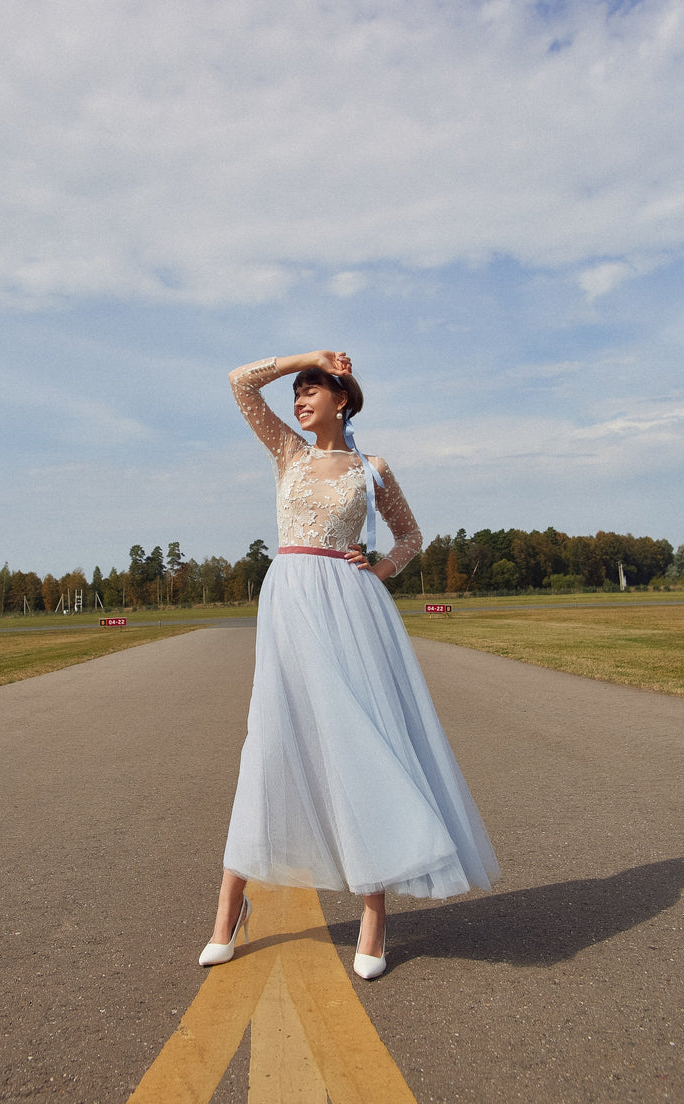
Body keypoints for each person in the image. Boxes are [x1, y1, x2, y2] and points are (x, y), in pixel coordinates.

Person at [199, 350, 500, 979]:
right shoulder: (287, 452)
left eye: (312, 390)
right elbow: (239, 381)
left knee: (362, 743)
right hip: (289, 601)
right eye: (297, 393)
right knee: (272, 740)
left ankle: (374, 915)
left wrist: (381, 571)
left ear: (344, 400)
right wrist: (306, 356)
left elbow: (411, 537)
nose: (300, 399)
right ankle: (230, 906)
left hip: (352, 609)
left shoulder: (373, 469)